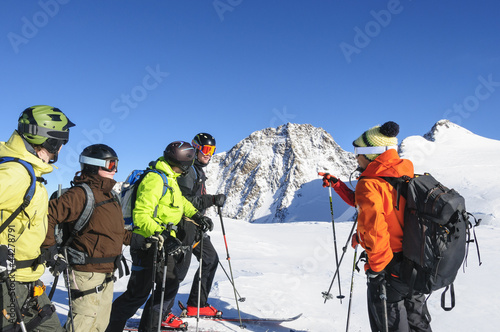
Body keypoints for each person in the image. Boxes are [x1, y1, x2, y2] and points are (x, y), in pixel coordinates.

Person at [322, 121, 432, 332]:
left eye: (358, 151)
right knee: (417, 322)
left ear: (371, 153)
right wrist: (338, 185)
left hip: (389, 266)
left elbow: (374, 228)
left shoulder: (370, 183)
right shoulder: (403, 174)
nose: (355, 157)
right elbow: (373, 204)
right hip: (416, 262)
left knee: (389, 324)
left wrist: (377, 270)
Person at [106, 141, 213, 332]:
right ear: (183, 165)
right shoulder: (155, 180)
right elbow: (141, 216)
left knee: (169, 286)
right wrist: (162, 233)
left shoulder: (170, 178)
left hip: (163, 244)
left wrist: (197, 216)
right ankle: (109, 327)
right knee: (138, 294)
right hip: (147, 244)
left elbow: (180, 202)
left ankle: (149, 327)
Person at [43, 144, 133, 331]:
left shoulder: (111, 196)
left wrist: (139, 240)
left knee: (100, 324)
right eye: (111, 165)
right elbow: (48, 216)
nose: (115, 170)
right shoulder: (80, 194)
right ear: (94, 166)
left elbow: (115, 232)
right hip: (86, 271)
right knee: (82, 325)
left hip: (107, 271)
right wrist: (49, 249)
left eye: (116, 164)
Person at [0, 105, 74, 331]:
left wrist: (46, 252)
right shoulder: (16, 174)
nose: (60, 149)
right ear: (50, 141)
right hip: (8, 283)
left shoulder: (30, 173)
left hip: (28, 279)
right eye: (60, 142)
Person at [176, 133, 226, 317]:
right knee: (177, 272)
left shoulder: (197, 170)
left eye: (212, 150)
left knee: (210, 259)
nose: (209, 154)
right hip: (184, 227)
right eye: (205, 149)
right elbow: (185, 201)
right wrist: (211, 200)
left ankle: (197, 304)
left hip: (195, 226)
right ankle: (157, 314)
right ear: (195, 148)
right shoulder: (188, 171)